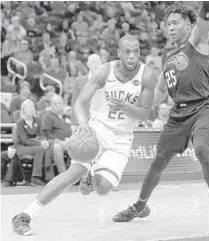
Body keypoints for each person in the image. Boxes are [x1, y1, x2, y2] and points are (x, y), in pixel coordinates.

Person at [113, 2, 209, 234]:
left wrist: (207, 4)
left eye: (176, 23)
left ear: (189, 25)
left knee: (202, 149)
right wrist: (138, 105)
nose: (170, 27)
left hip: (203, 107)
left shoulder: (197, 42)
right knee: (158, 162)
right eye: (168, 23)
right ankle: (139, 206)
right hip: (178, 114)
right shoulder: (166, 54)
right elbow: (162, 91)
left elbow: (204, 26)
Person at [12, 34, 157, 236]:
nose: (132, 56)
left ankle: (90, 179)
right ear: (119, 52)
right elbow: (79, 102)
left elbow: (145, 113)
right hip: (96, 129)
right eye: (127, 51)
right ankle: (24, 216)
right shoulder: (105, 71)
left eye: (136, 51)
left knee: (103, 188)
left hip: (122, 138)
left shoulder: (148, 75)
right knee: (73, 173)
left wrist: (127, 108)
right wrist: (82, 124)